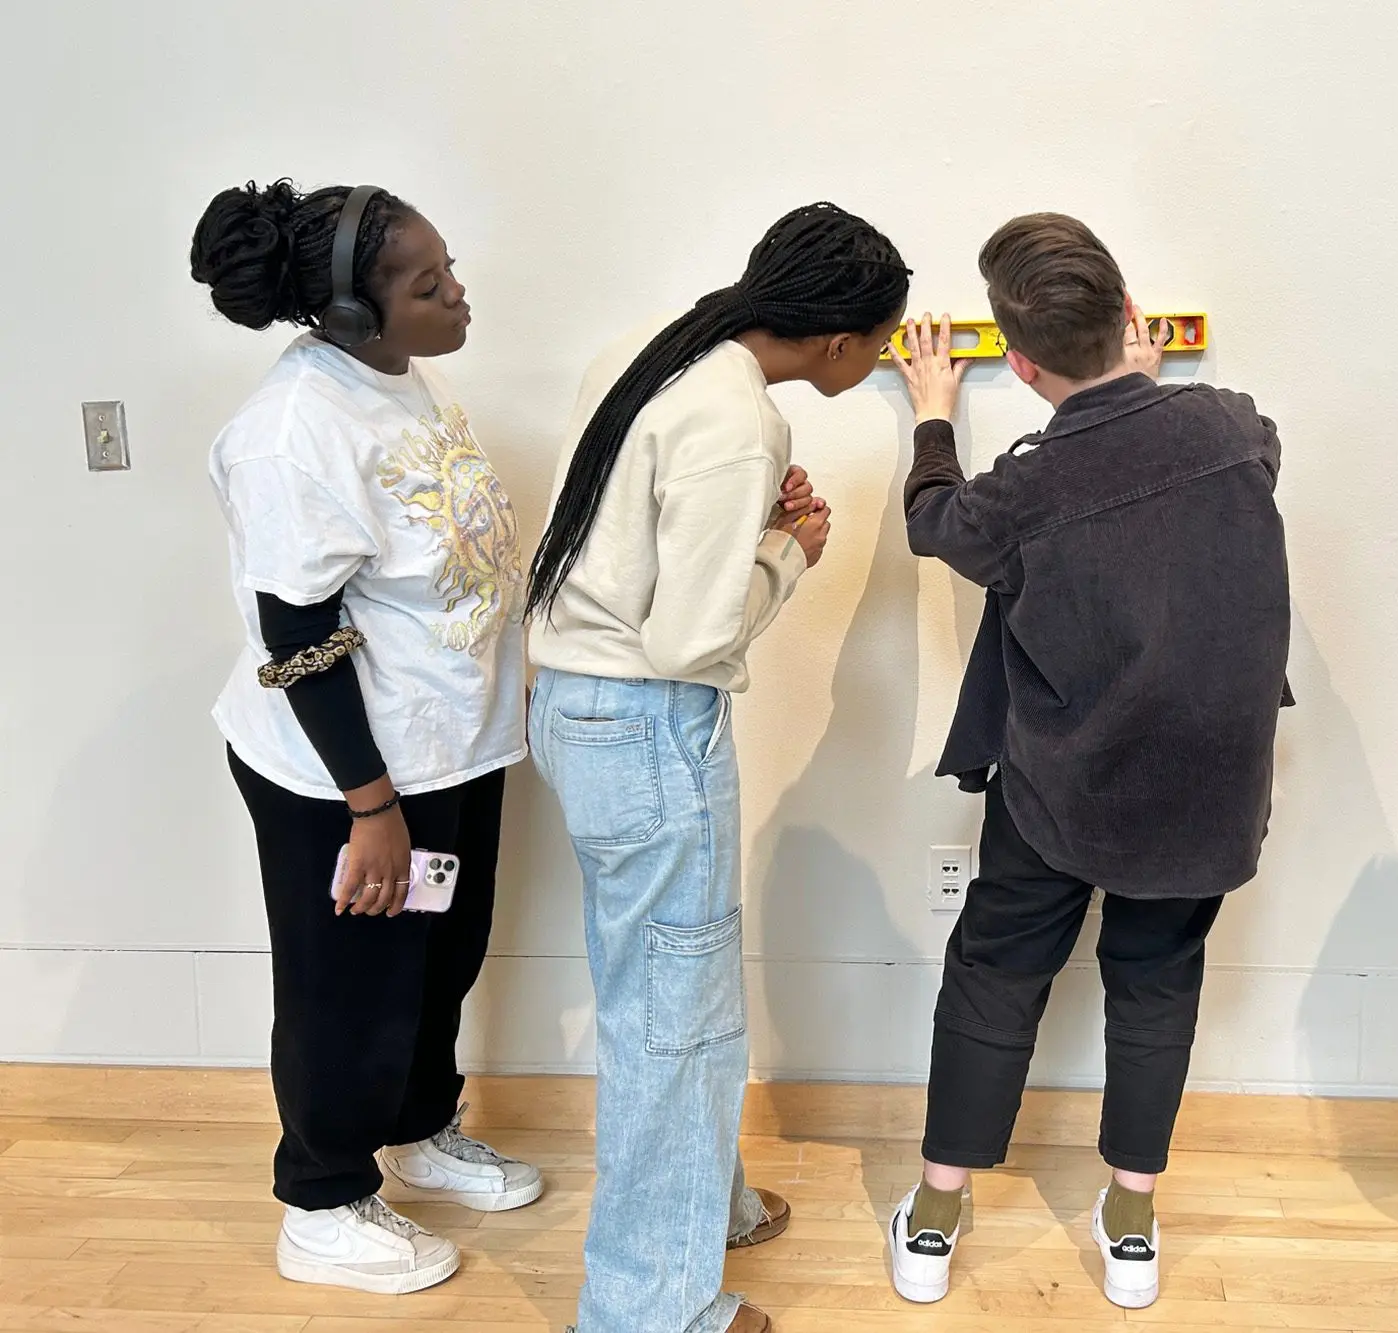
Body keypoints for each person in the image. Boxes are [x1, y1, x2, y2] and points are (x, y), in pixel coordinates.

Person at [883, 214, 1292, 1311]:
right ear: (1127, 318)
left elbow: (936, 524)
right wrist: (1144, 390)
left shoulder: (1024, 488)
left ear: (1016, 365)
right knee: (1156, 978)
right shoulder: (1231, 427)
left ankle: (933, 1216)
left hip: (1061, 782)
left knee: (996, 968)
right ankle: (1130, 1221)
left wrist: (931, 415)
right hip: (1204, 781)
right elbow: (1217, 450)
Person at [525, 202, 909, 1333]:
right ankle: (646, 1310)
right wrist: (786, 550)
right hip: (648, 727)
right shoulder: (739, 424)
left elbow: (623, 552)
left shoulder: (656, 347)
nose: (881, 358)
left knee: (656, 988)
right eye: (881, 342)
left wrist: (746, 537)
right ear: (839, 344)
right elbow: (690, 640)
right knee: (673, 1019)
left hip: (579, 710)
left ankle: (711, 1203)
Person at [192, 179, 542, 1295]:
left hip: (446, 749)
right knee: (346, 985)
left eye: (450, 269)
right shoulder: (293, 433)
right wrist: (370, 808)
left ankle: (417, 1131)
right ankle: (324, 1196)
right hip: (343, 776)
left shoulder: (395, 376)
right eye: (427, 284)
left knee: (435, 957)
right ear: (351, 314)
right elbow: (295, 632)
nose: (457, 294)